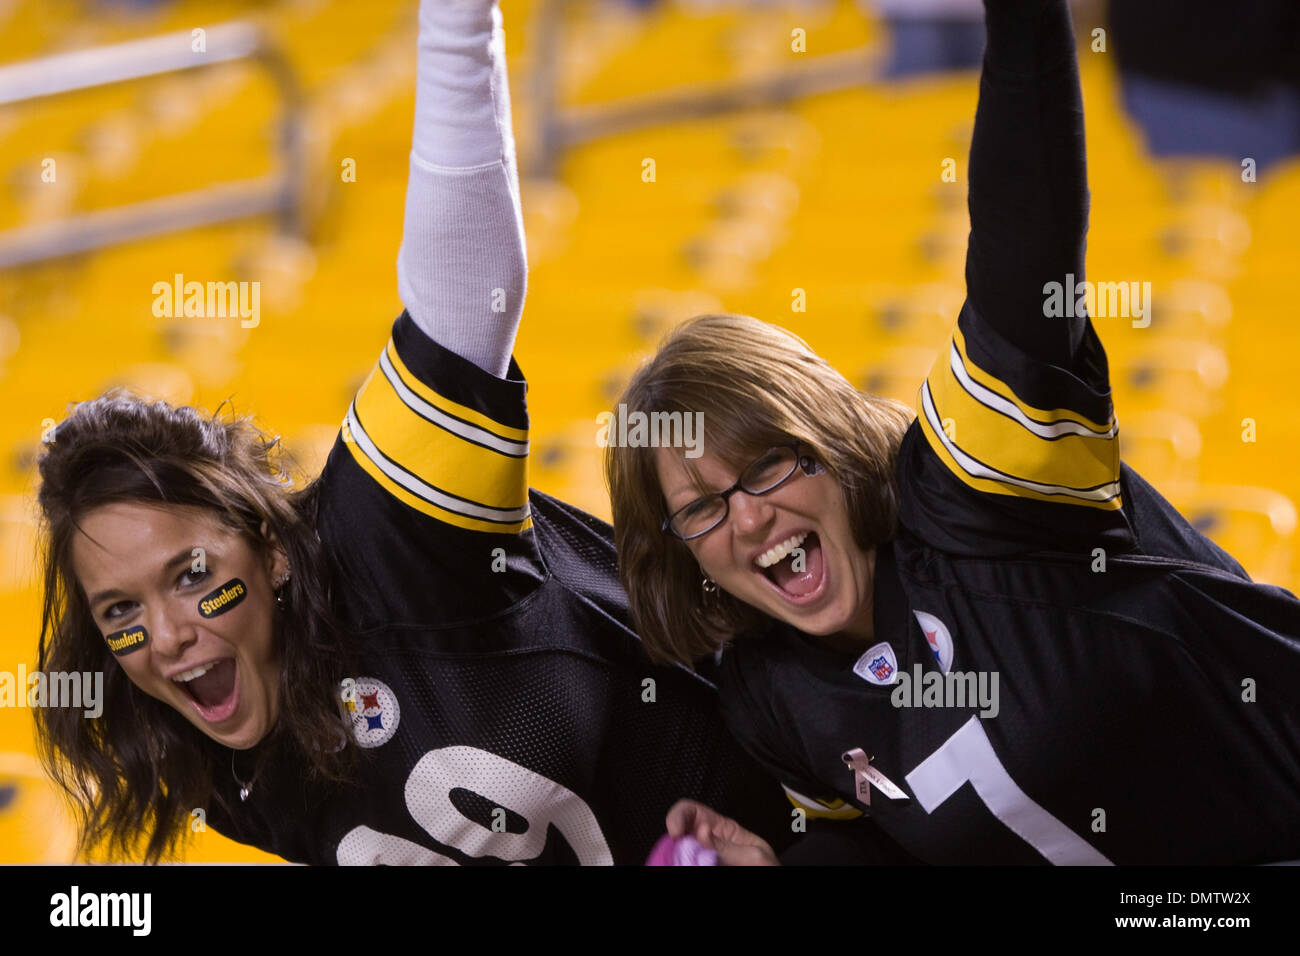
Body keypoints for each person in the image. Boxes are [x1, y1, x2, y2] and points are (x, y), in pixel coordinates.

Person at [33, 0, 789, 865]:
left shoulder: (383, 537)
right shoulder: (208, 765)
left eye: (192, 574)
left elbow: (469, 299)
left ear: (271, 551)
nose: (164, 636)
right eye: (121, 610)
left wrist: (457, 21)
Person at [605, 0, 1300, 865]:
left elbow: (1026, 240)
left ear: (828, 436)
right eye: (702, 509)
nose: (746, 518)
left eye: (768, 467)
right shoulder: (772, 696)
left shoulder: (978, 489)